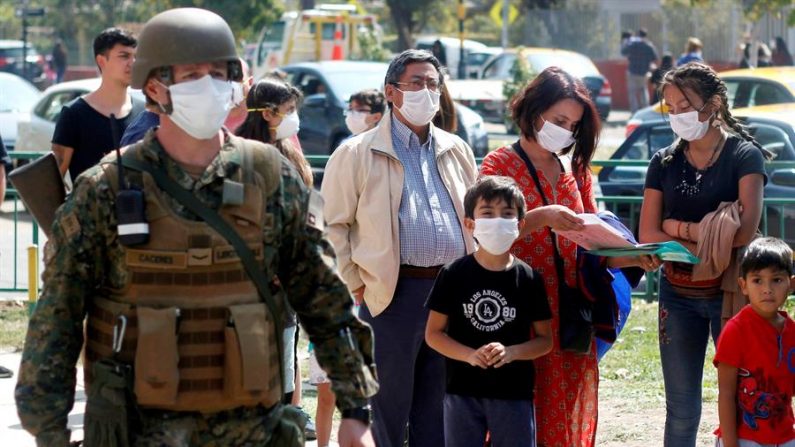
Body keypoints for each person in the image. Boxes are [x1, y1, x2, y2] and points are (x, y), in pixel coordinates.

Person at [15, 8, 378, 447]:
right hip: (139, 432)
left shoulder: (269, 177)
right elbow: (57, 322)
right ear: (154, 86)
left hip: (249, 430)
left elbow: (324, 296)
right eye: (192, 74)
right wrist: (49, 432)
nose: (209, 84)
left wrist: (356, 410)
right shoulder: (105, 189)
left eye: (219, 72)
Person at [479, 66, 660, 447]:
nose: (565, 131)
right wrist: (542, 217)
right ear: (533, 108)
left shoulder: (574, 170)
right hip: (517, 313)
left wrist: (631, 257)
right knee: (515, 417)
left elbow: (590, 245)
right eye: (559, 119)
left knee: (566, 412)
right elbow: (486, 234)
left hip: (570, 315)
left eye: (573, 125)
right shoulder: (498, 165)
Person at [322, 49, 478, 447]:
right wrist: (359, 285)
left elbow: (473, 217)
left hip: (450, 295)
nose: (427, 91)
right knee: (385, 410)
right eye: (416, 83)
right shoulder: (356, 152)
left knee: (440, 409)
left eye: (433, 83)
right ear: (391, 92)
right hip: (390, 296)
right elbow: (333, 226)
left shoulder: (456, 148)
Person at [638, 62, 768, 447]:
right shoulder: (663, 161)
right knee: (680, 409)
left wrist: (677, 229)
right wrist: (709, 232)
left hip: (731, 293)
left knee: (746, 397)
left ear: (713, 105)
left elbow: (744, 231)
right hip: (677, 296)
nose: (676, 115)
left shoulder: (744, 156)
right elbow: (647, 232)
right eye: (670, 107)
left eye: (685, 105)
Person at [425, 175, 553, 447]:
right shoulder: (453, 274)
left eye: (507, 214)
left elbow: (545, 340)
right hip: (461, 391)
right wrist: (469, 355)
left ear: (519, 225)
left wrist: (513, 352)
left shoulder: (529, 278)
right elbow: (434, 334)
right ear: (470, 223)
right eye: (487, 213)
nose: (497, 220)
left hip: (514, 393)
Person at [235, 75, 316, 439]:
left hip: (286, 288)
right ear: (268, 114)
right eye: (289, 110)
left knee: (284, 367)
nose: (294, 117)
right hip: (251, 286)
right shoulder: (239, 157)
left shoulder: (289, 152)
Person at [713, 237, 795, 447]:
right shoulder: (735, 330)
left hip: (785, 436)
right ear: (743, 285)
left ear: (791, 284)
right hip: (743, 438)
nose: (767, 289)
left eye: (776, 280)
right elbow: (726, 393)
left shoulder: (792, 331)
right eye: (757, 280)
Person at [51, 28, 144, 180]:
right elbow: (51, 182)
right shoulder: (74, 114)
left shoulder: (143, 112)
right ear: (101, 61)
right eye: (124, 56)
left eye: (136, 56)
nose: (132, 63)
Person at [120, 57, 253, 146]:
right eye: (192, 76)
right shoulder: (141, 140)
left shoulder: (255, 161)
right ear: (154, 89)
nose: (208, 88)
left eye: (217, 74)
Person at [621, 28, 659, 113]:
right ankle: (645, 111)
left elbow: (623, 52)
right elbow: (655, 58)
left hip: (632, 72)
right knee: (643, 91)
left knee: (632, 93)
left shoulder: (633, 44)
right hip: (644, 73)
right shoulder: (649, 46)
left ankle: (634, 112)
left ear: (638, 35)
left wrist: (626, 42)